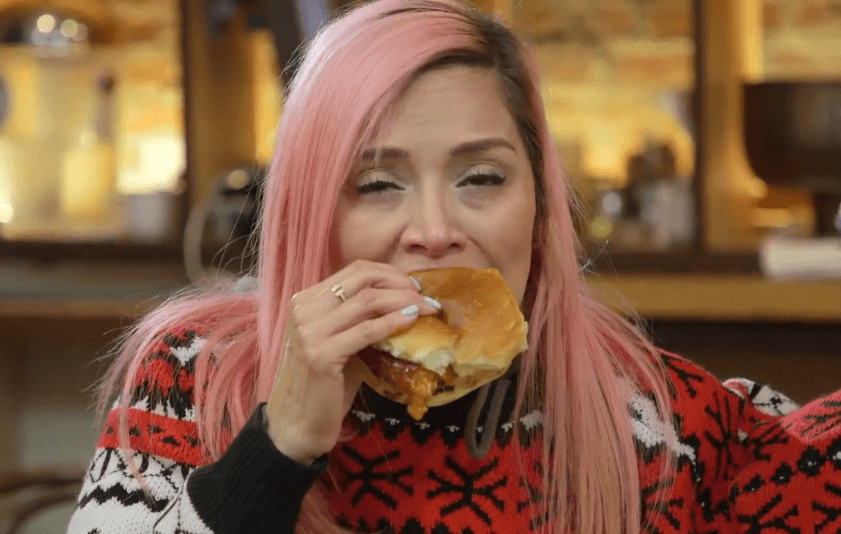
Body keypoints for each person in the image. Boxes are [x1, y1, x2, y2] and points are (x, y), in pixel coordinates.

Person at [67, 1, 841, 533]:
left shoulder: (650, 419)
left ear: (540, 212)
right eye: (376, 184)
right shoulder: (195, 379)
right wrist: (277, 447)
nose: (434, 232)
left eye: (481, 179)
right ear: (312, 211)